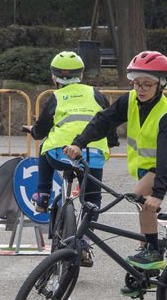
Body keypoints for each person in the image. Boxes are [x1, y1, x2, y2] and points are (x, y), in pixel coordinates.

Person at [65, 50, 167, 272]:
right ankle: (144, 272)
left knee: (143, 194)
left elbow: (165, 157)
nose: (140, 89)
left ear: (161, 85)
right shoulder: (130, 100)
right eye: (136, 83)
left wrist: (158, 194)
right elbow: (103, 120)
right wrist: (79, 142)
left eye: (147, 85)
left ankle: (153, 250)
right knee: (143, 209)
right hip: (143, 165)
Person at [22, 51, 118, 267]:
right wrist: (110, 142)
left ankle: (43, 195)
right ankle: (84, 241)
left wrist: (34, 132)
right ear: (81, 75)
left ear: (53, 77)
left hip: (61, 153)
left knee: (45, 149)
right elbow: (108, 120)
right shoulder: (96, 94)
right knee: (92, 200)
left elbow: (43, 127)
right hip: (92, 154)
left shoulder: (55, 97)